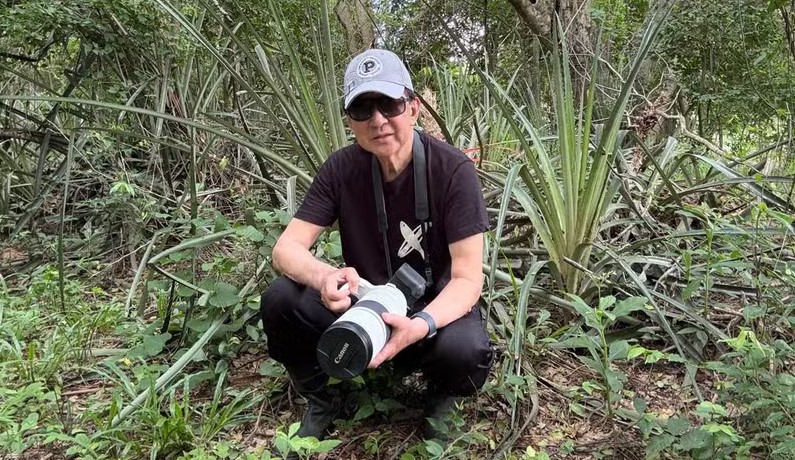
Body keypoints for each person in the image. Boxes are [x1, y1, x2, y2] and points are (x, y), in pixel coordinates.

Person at [260, 48, 493, 442]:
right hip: (364, 305)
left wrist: (420, 324)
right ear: (350, 121)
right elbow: (286, 249)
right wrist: (325, 277)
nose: (378, 120)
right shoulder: (341, 170)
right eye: (362, 109)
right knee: (281, 299)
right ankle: (320, 397)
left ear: (413, 108)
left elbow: (468, 280)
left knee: (466, 350)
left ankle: (440, 399)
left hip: (430, 312)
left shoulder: (453, 170)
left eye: (389, 104)